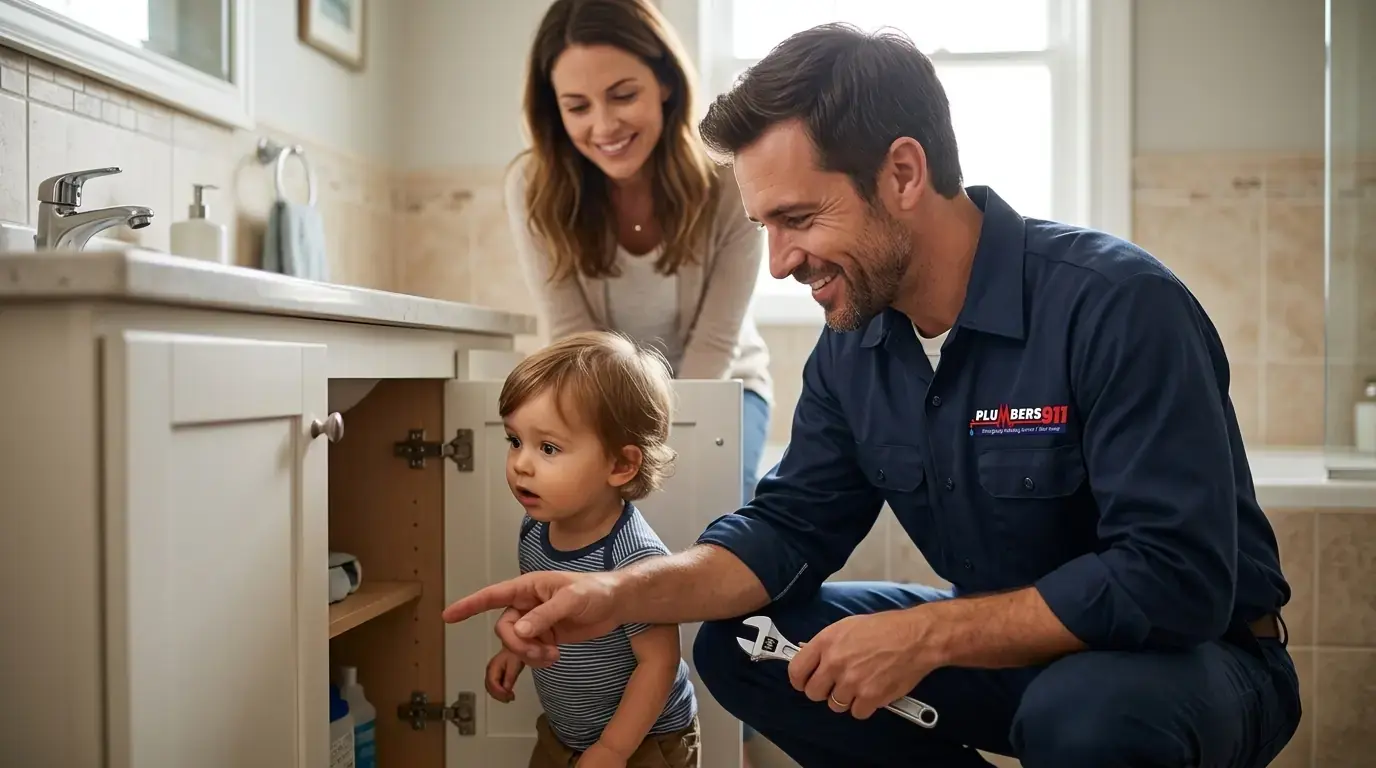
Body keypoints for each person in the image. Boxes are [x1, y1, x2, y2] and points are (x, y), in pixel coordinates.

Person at [449, 22, 1303, 768]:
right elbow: (787, 530)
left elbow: (1175, 578)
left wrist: (926, 635)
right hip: (1008, 656)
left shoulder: (1116, 305)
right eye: (765, 228)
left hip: (1192, 663)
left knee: (1082, 715)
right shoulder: (854, 344)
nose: (780, 262)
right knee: (744, 647)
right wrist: (617, 594)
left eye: (798, 219)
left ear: (901, 173)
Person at [506, 0, 772, 513]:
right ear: (554, 110)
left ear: (666, 83)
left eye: (623, 95)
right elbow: (574, 338)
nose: (603, 125)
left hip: (725, 386)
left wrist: (651, 454)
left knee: (707, 516)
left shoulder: (729, 179)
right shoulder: (531, 188)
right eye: (577, 107)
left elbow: (714, 345)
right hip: (602, 395)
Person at [485, 330, 701, 768]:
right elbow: (542, 608)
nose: (521, 463)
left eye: (548, 448)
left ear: (621, 464)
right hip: (565, 734)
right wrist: (516, 650)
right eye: (514, 441)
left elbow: (659, 664)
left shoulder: (633, 559)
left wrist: (612, 750)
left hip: (645, 743)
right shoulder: (535, 529)